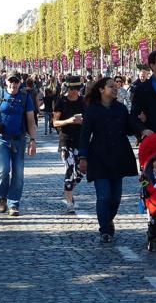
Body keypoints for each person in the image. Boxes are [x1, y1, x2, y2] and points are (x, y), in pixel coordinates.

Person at [79, 77, 137, 243]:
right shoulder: (92, 110)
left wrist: (139, 121)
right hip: (98, 156)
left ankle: (108, 218)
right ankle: (104, 229)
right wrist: (83, 157)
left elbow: (129, 130)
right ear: (101, 90)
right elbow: (85, 134)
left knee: (116, 198)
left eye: (116, 86)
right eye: (111, 86)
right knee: (103, 196)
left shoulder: (120, 108)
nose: (115, 88)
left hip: (118, 155)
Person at [0, 71, 37, 217]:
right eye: (11, 80)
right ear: (6, 81)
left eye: (16, 81)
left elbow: (31, 121)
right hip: (2, 139)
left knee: (18, 173)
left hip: (19, 139)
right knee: (3, 170)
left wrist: (33, 141)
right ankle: (3, 196)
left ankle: (13, 203)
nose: (13, 84)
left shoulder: (25, 97)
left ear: (20, 82)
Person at [53, 76, 86, 214]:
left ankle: (69, 189)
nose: (74, 91)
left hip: (81, 140)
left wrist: (84, 121)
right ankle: (69, 201)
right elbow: (55, 122)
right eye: (72, 88)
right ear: (67, 88)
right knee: (70, 168)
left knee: (80, 172)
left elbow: (90, 119)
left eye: (77, 89)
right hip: (66, 140)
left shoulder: (84, 102)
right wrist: (69, 121)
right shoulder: (62, 101)